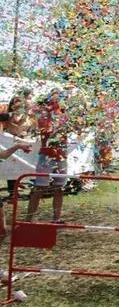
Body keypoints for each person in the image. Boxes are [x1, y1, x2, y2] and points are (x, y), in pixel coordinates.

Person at [26, 90, 69, 224]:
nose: (57, 99)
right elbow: (47, 132)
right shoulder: (44, 115)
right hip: (46, 155)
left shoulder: (65, 115)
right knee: (40, 188)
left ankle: (56, 218)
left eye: (60, 97)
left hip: (61, 156)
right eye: (55, 97)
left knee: (59, 188)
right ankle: (28, 219)